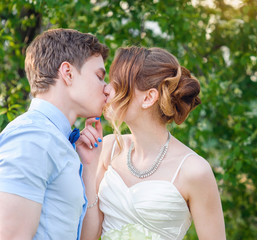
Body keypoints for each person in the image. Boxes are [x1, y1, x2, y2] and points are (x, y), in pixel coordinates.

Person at [80, 46, 226, 240]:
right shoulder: (108, 148)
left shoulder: (194, 170)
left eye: (117, 83)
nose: (106, 89)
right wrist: (89, 168)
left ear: (148, 98)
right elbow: (87, 237)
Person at [0, 28, 109, 239]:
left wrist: (89, 167)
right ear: (67, 73)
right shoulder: (33, 138)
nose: (106, 89)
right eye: (99, 77)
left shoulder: (57, 141)